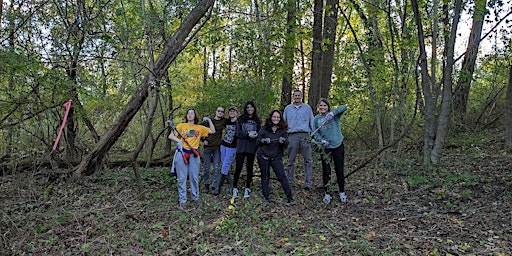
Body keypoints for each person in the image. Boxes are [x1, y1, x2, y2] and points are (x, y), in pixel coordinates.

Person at [168, 109, 215, 208]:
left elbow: (212, 131)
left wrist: (209, 121)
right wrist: (178, 141)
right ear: (186, 116)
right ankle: (183, 201)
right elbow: (171, 136)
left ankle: (195, 197)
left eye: (192, 113)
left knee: (194, 177)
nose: (190, 115)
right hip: (182, 153)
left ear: (195, 116)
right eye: (188, 113)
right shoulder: (181, 126)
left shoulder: (199, 128)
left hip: (194, 154)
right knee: (182, 178)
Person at [312, 98, 348, 204]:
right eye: (321, 106)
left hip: (338, 145)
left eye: (325, 106)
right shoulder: (316, 119)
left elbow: (344, 107)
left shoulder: (334, 116)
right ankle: (327, 194)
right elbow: (315, 133)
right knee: (326, 170)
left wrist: (333, 112)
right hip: (326, 148)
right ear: (318, 107)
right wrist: (321, 141)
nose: (323, 107)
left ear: (328, 107)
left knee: (339, 169)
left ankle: (342, 192)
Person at [256, 110, 296, 205]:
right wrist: (263, 140)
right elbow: (257, 141)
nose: (276, 119)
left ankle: (290, 198)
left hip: (276, 157)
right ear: (271, 118)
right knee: (265, 177)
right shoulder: (264, 128)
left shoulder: (282, 130)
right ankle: (265, 197)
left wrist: (283, 141)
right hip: (263, 156)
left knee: (282, 176)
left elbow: (286, 143)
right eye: (274, 117)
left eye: (278, 117)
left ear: (280, 119)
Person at [283, 89, 315, 189]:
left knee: (308, 160)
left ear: (301, 96)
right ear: (293, 96)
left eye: (299, 95)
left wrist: (313, 135)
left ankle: (308, 182)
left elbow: (312, 122)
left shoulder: (307, 108)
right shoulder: (288, 108)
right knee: (290, 160)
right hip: (292, 135)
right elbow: (284, 122)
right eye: (295, 95)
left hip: (305, 135)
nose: (297, 97)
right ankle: (289, 181)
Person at [232, 101, 261, 199]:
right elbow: (238, 133)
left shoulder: (257, 120)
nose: (249, 109)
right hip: (241, 147)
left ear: (254, 108)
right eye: (248, 107)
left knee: (249, 168)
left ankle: (247, 188)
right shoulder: (240, 119)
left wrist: (256, 136)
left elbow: (259, 133)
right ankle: (235, 187)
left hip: (251, 148)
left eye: (251, 107)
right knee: (238, 167)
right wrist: (248, 135)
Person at [212, 106, 238, 196]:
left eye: (233, 111)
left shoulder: (239, 122)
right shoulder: (226, 121)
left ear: (236, 113)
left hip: (233, 147)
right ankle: (232, 185)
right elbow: (217, 126)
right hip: (223, 145)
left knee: (225, 166)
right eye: (230, 111)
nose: (232, 112)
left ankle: (218, 188)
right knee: (224, 166)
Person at [201, 106, 226, 193]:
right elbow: (198, 129)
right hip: (207, 148)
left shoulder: (223, 121)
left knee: (216, 168)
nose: (220, 112)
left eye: (222, 111)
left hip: (217, 148)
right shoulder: (208, 121)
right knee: (206, 168)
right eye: (218, 111)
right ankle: (206, 186)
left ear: (223, 114)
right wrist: (203, 140)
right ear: (216, 112)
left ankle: (215, 187)